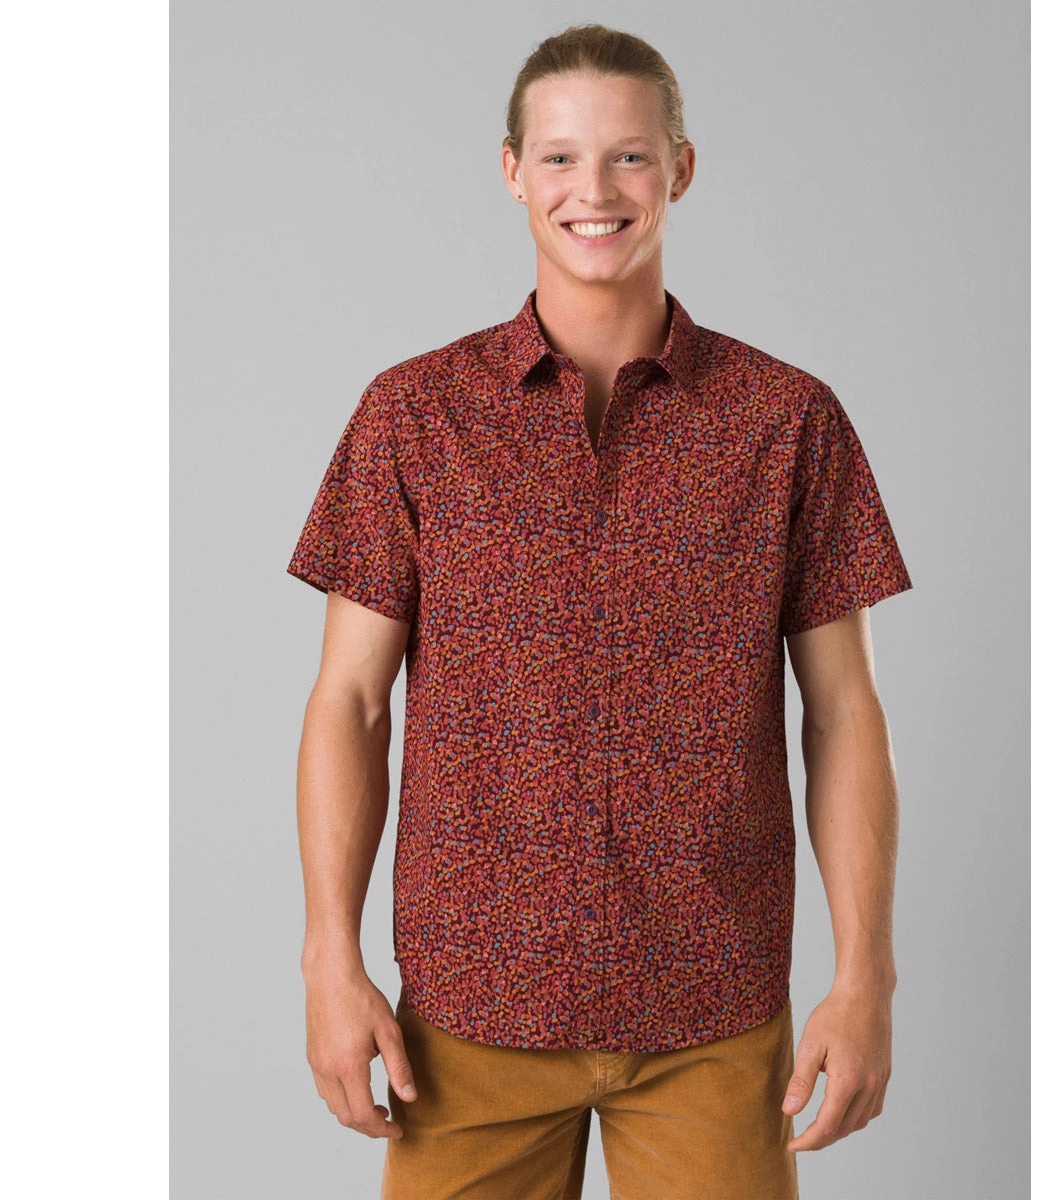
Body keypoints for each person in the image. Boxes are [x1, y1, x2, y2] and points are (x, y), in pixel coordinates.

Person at [286, 22, 913, 1200]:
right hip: (467, 1020)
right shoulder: (413, 416)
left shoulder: (789, 422)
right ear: (512, 172)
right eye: (561, 157)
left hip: (714, 1016)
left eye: (628, 156)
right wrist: (330, 956)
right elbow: (351, 702)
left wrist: (865, 975)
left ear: (680, 168)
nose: (596, 190)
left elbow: (843, 715)